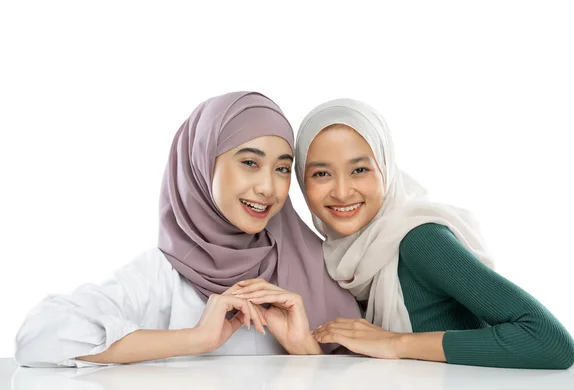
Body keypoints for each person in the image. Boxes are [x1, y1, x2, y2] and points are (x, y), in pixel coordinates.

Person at [14, 91, 361, 367]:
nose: (268, 188)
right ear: (201, 162)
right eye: (249, 163)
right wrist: (196, 339)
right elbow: (39, 337)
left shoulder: (319, 268)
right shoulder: (160, 275)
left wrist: (305, 350)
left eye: (282, 169)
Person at [290, 98, 574, 369]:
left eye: (360, 169)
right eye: (322, 174)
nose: (341, 192)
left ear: (386, 170)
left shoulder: (419, 239)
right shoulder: (337, 259)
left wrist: (395, 343)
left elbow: (550, 341)